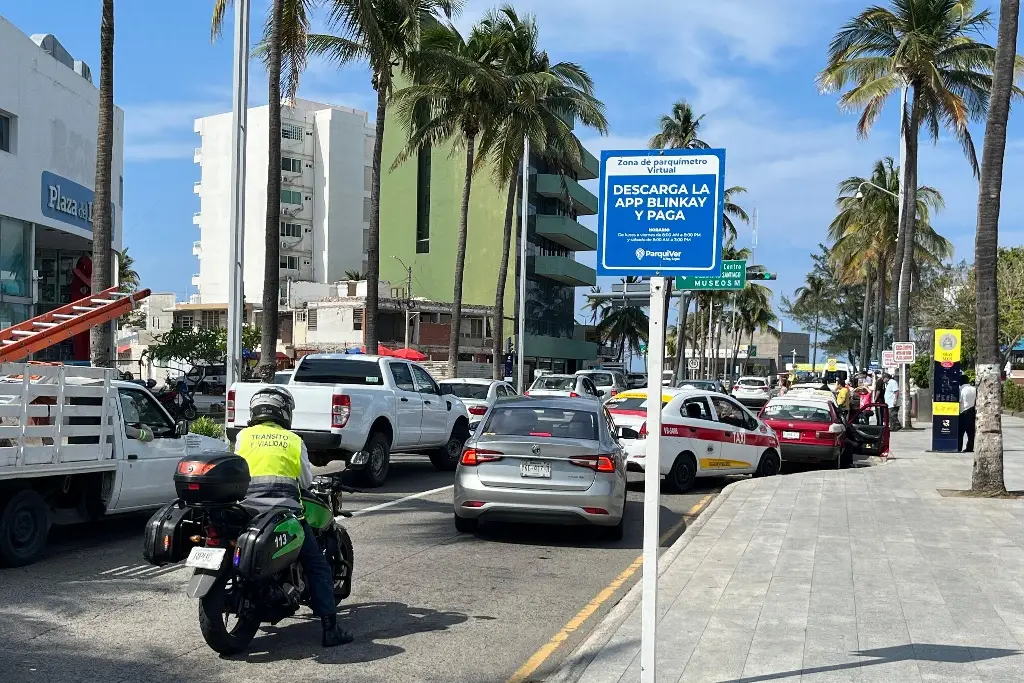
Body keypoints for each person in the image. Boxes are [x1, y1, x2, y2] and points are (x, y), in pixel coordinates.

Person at [234, 386, 353, 647]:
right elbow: (305, 480)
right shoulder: (293, 440)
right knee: (317, 564)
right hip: (285, 511)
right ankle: (330, 629)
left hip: (248, 511)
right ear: (284, 412)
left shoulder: (244, 436)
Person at [959, 374, 977, 452]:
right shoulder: (974, 389)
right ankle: (970, 447)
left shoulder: (961, 389)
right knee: (971, 432)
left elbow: (959, 401)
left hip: (963, 412)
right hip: (973, 411)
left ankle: (958, 447)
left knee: (960, 432)